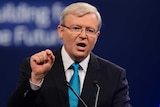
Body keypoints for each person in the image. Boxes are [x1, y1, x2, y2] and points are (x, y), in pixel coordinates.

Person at [8, 2, 132, 107]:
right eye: (76, 28)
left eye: (90, 30)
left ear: (97, 36)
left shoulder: (114, 75)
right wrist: (36, 79)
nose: (83, 35)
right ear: (61, 32)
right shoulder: (36, 67)